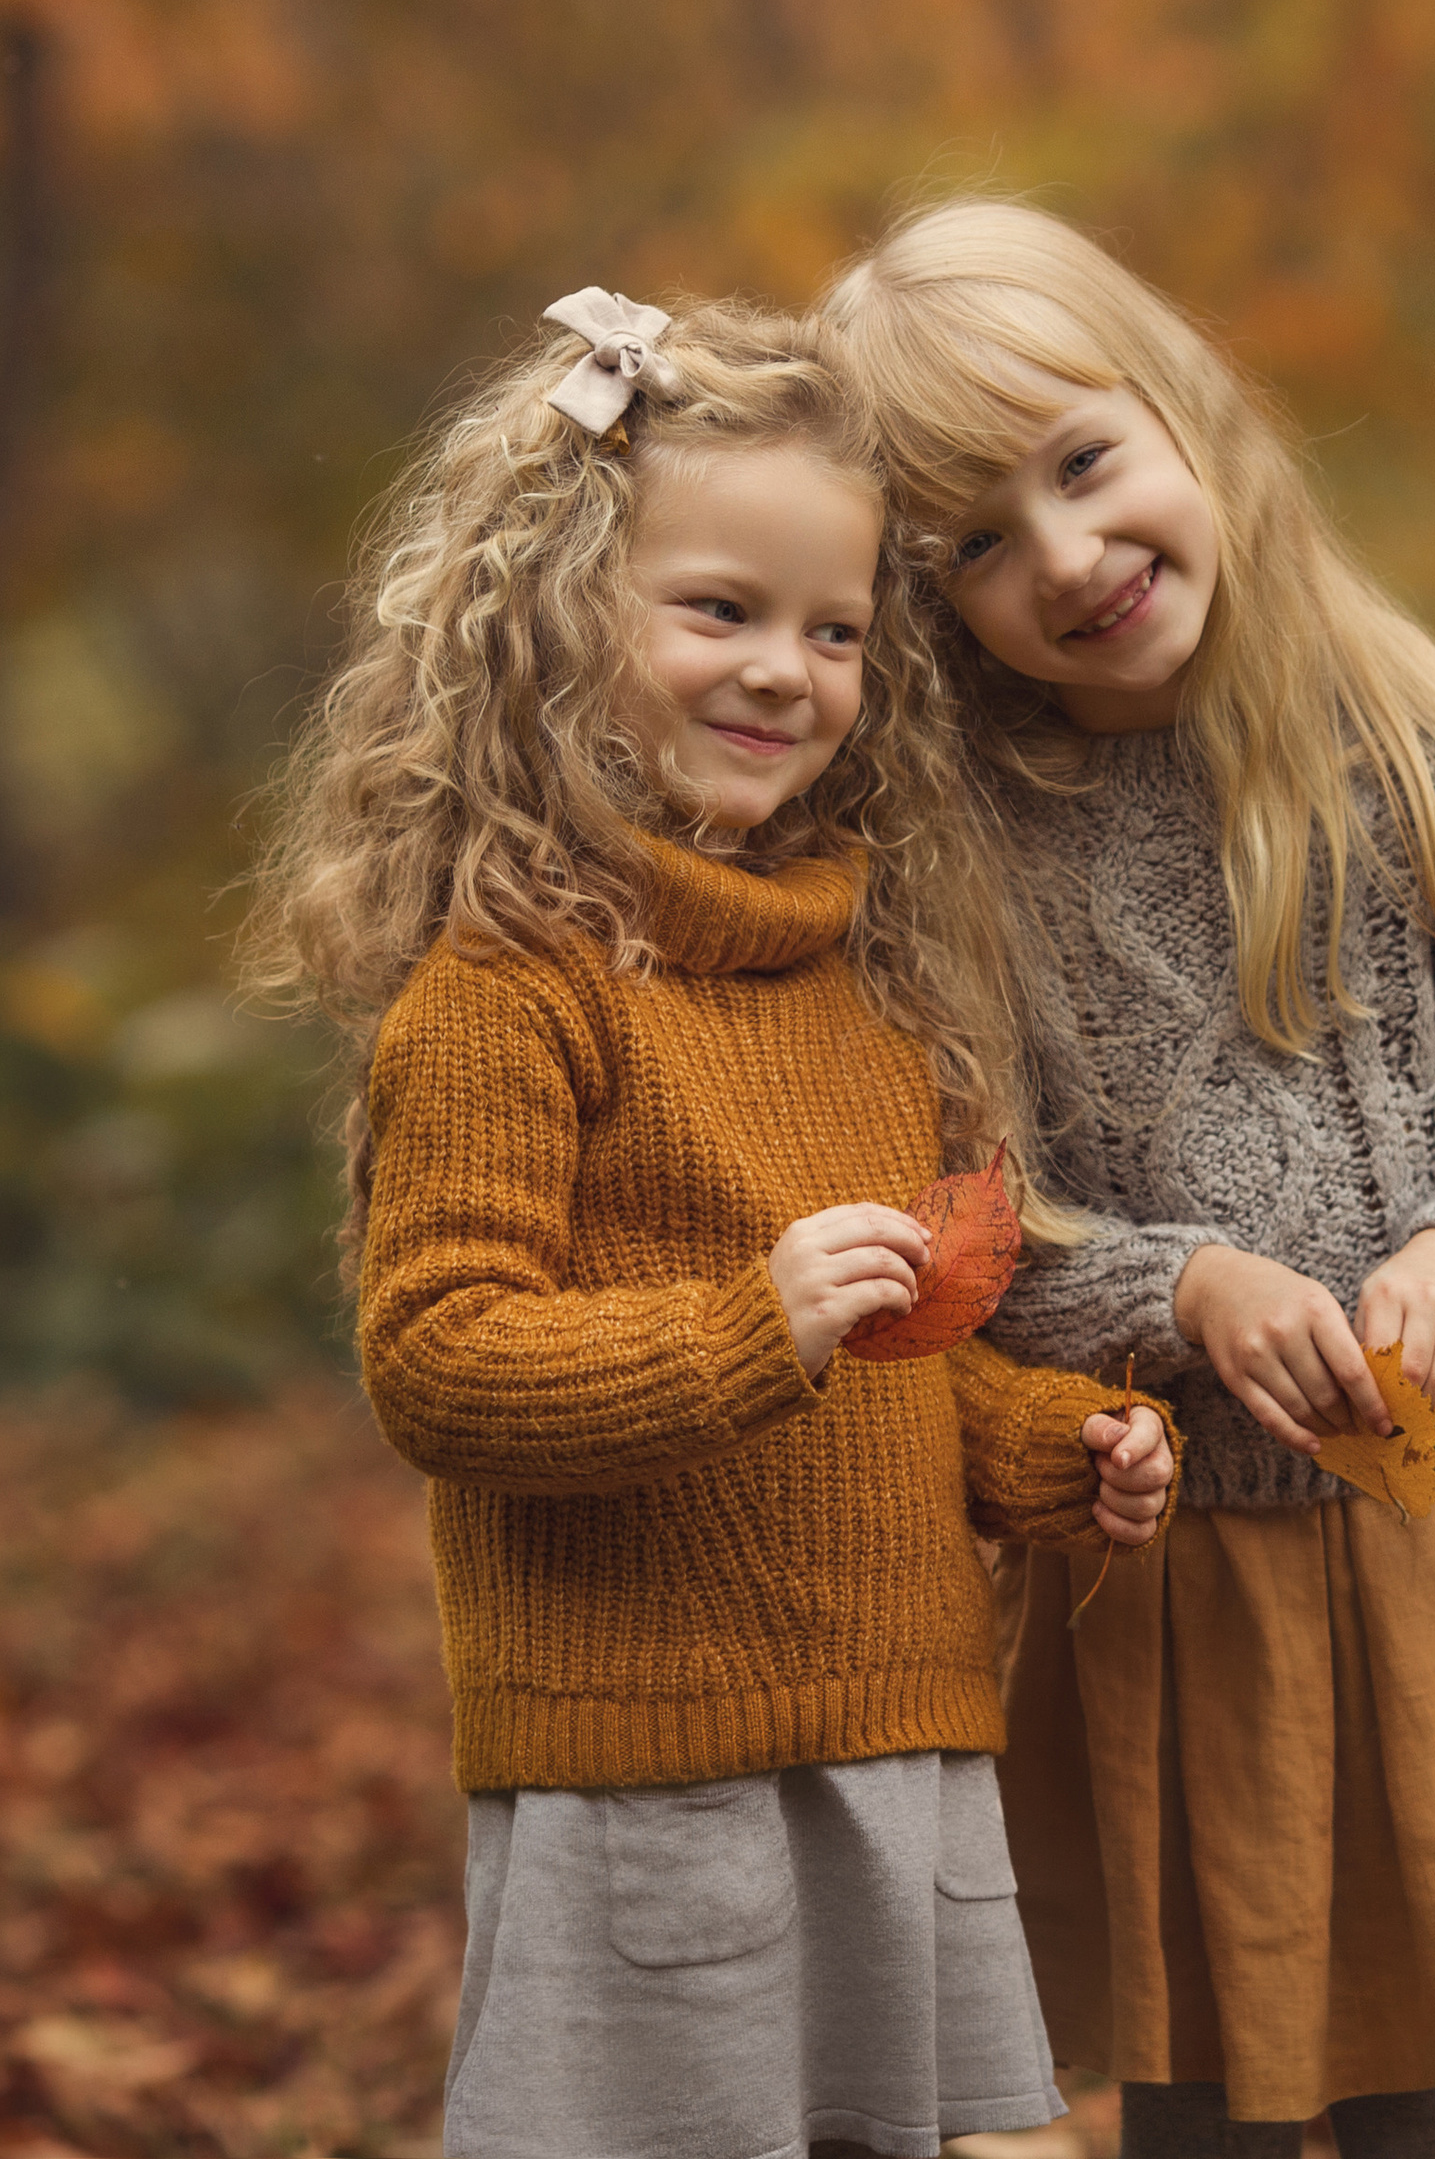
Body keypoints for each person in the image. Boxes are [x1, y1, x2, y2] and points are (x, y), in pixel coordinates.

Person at [241, 285, 1177, 2159]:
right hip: (647, 1760)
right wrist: (748, 1327)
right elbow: (440, 1367)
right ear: (554, 617)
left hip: (906, 1740)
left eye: (835, 631)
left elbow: (901, 1364)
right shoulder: (510, 993)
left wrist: (1057, 1450)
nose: (785, 670)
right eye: (720, 610)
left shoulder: (869, 983)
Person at [823, 203, 1435, 2157]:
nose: (1065, 555)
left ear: (1183, 409)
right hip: (1143, 1561)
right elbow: (965, 1225)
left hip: (1418, 1527)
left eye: (1080, 462)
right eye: (970, 540)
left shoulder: (1424, 746)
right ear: (917, 601)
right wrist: (1177, 1285)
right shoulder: (945, 851)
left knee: (1428, 2065)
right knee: (1193, 2078)